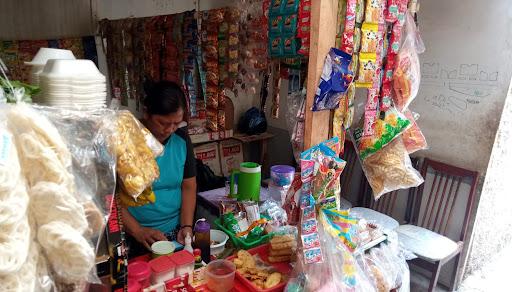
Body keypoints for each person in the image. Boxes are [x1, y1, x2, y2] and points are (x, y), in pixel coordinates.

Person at [121, 80, 197, 257]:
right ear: (146, 113)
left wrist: (186, 226)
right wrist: (138, 231)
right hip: (134, 235)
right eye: (163, 123)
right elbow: (110, 199)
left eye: (176, 123)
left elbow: (188, 187)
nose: (169, 129)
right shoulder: (124, 141)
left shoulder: (182, 140)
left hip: (173, 233)